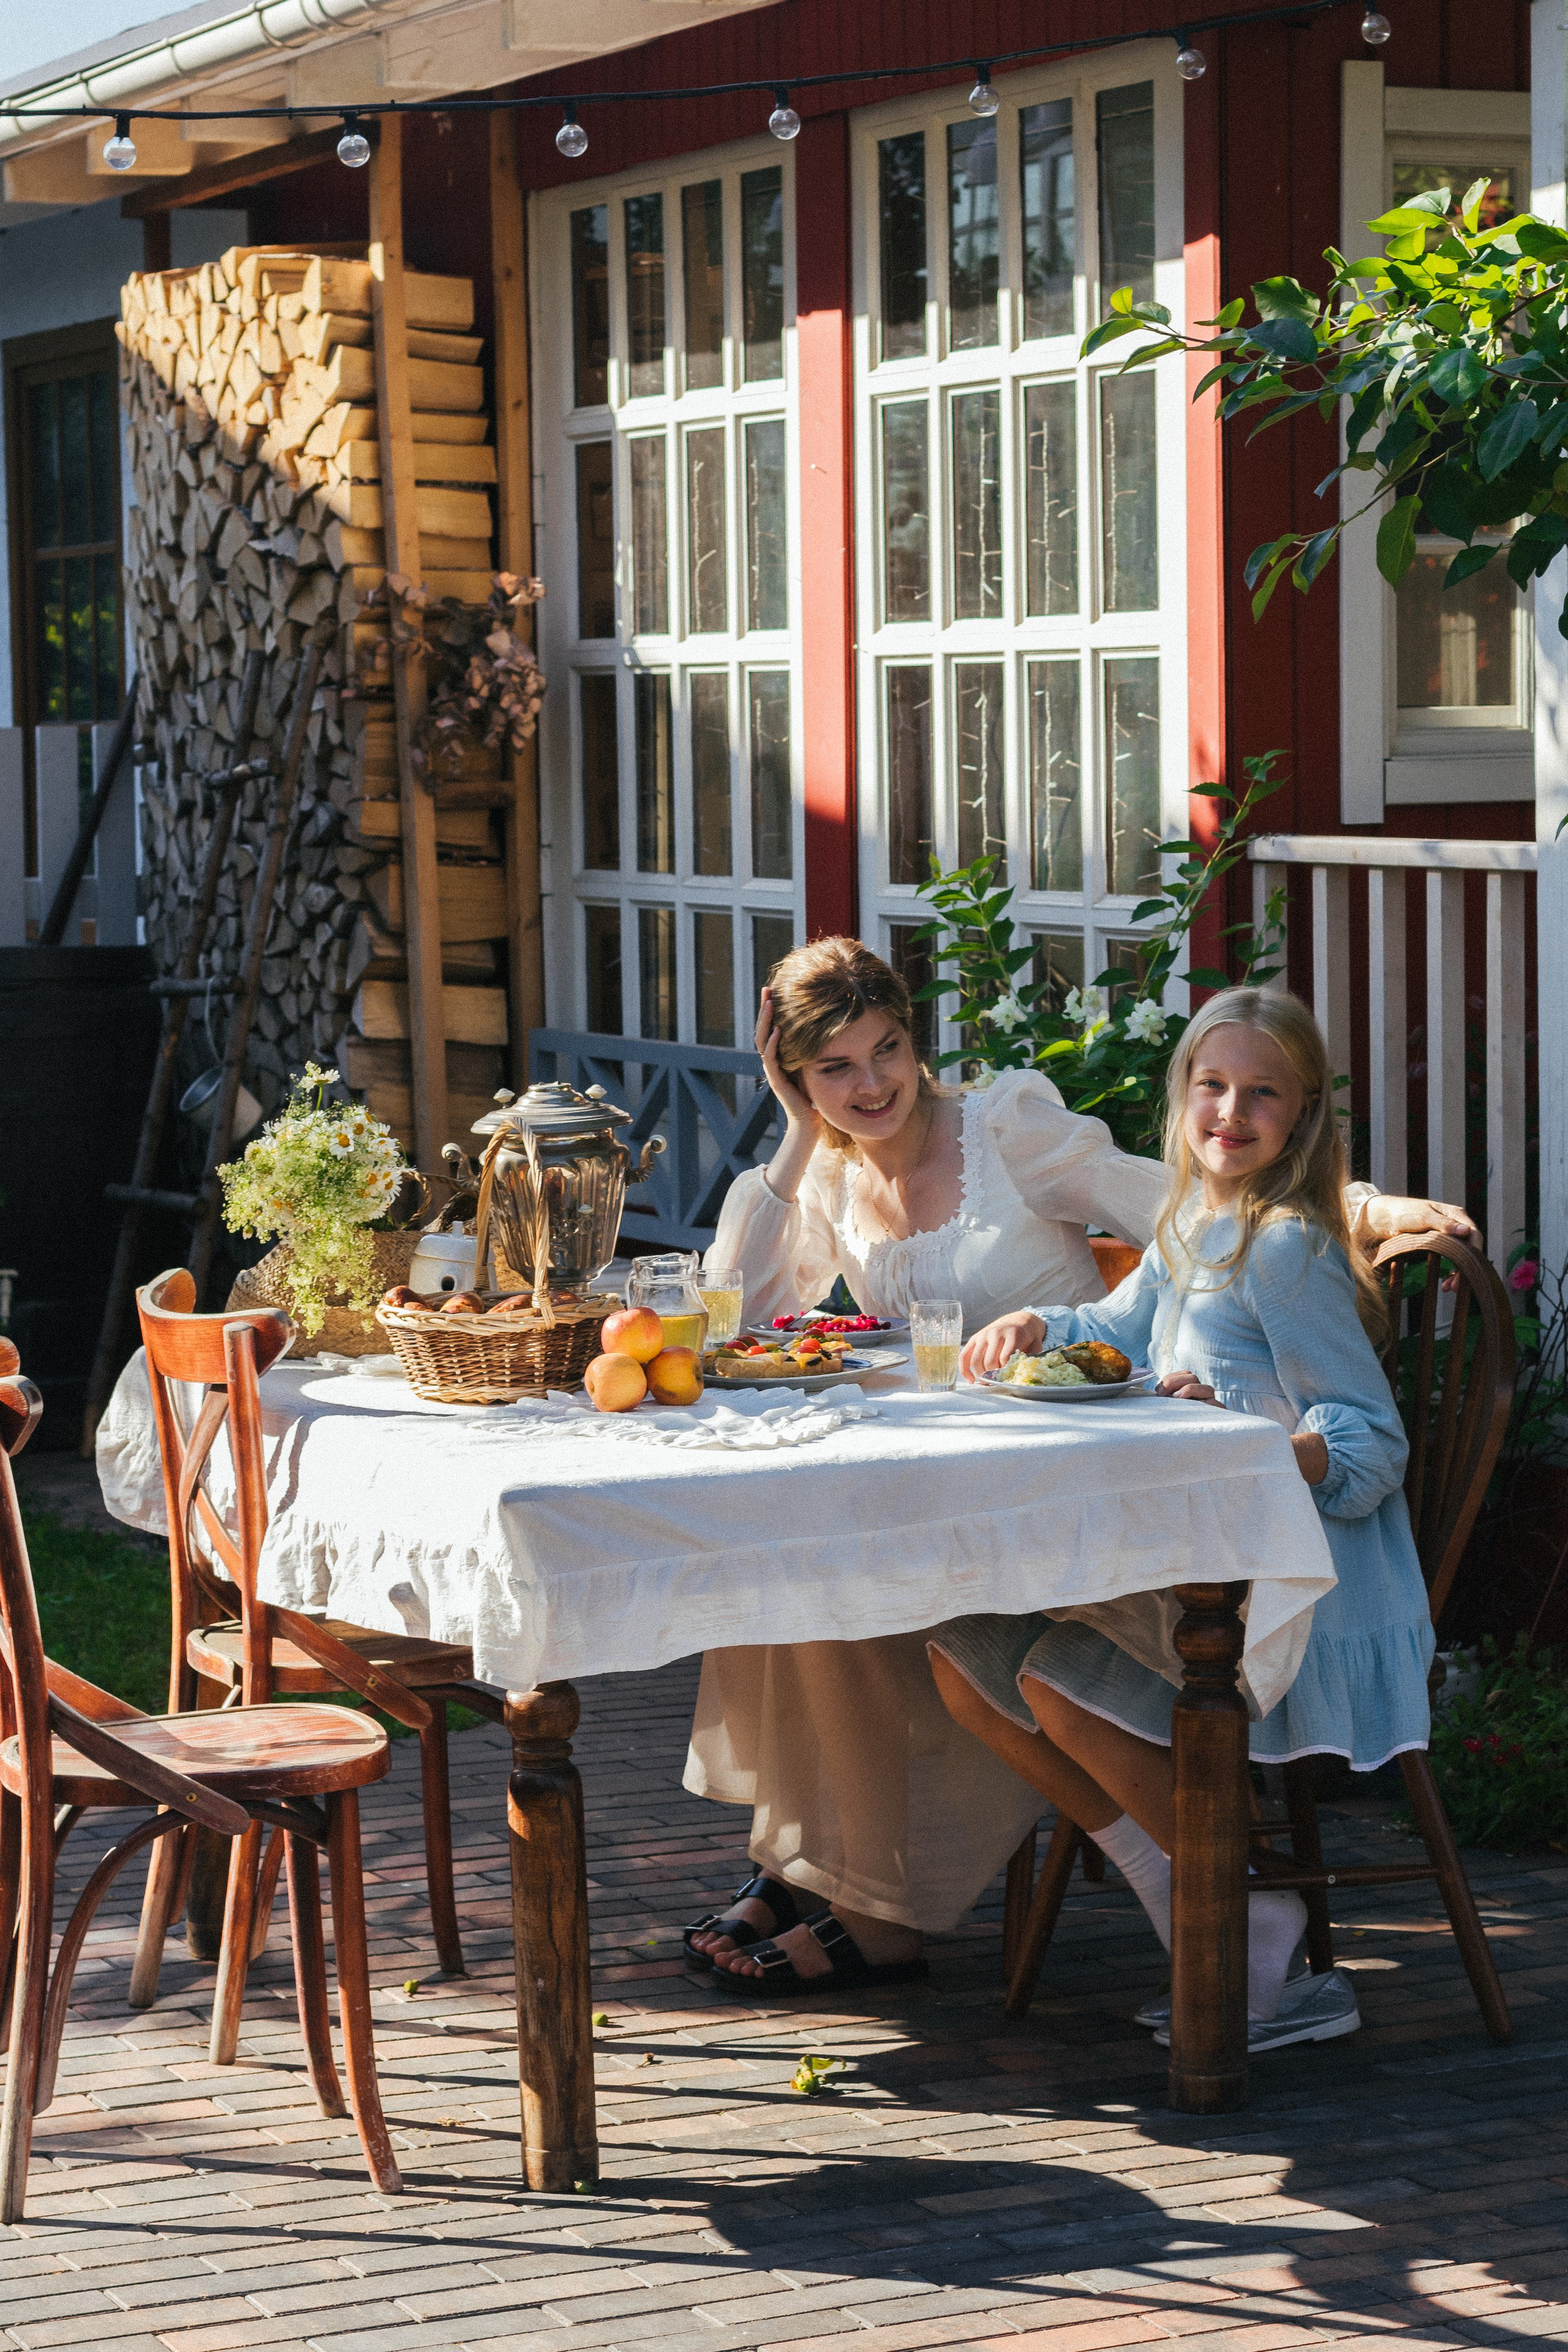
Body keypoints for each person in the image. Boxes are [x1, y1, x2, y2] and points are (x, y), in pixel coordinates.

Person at [685, 940, 1473, 1996]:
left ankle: (1197, 1913)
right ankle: (839, 1871)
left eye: (888, 1051)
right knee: (843, 1605)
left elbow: (1355, 1422)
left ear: (917, 1042)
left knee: (904, 1621)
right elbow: (727, 1314)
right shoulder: (839, 1173)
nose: (869, 1084)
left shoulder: (1043, 1143)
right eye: (833, 1069)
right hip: (1075, 1495)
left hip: (1215, 1550)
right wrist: (1037, 1321)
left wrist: (1356, 1213)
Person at [930, 986, 1434, 2049]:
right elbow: (1120, 1326)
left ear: (1304, 1114)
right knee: (962, 1653)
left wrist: (1243, 1439)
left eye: (1263, 1094)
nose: (1231, 1114)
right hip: (1199, 1561)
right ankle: (1199, 1900)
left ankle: (1243, 1915)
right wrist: (1038, 1323)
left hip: (1295, 1585)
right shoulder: (1198, 1219)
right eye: (1212, 1085)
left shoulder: (1284, 1248)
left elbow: (1369, 1444)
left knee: (1055, 1681)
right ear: (1184, 1094)